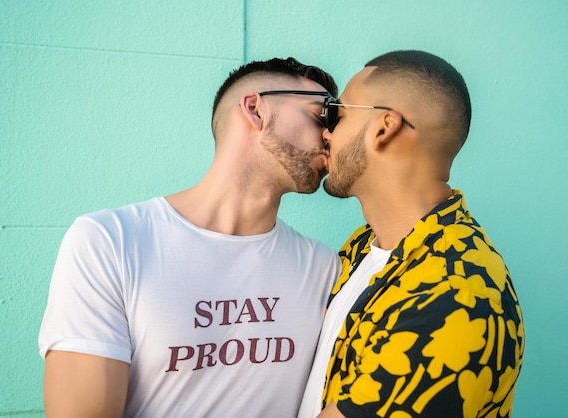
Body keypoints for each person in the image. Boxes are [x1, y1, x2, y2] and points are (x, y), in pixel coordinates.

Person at [39, 57, 342, 417]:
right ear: (255, 109)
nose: (330, 134)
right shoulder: (110, 242)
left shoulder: (324, 267)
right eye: (321, 114)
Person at [298, 50, 524, 418]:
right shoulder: (363, 247)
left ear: (384, 128)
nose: (326, 131)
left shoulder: (454, 290)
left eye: (337, 114)